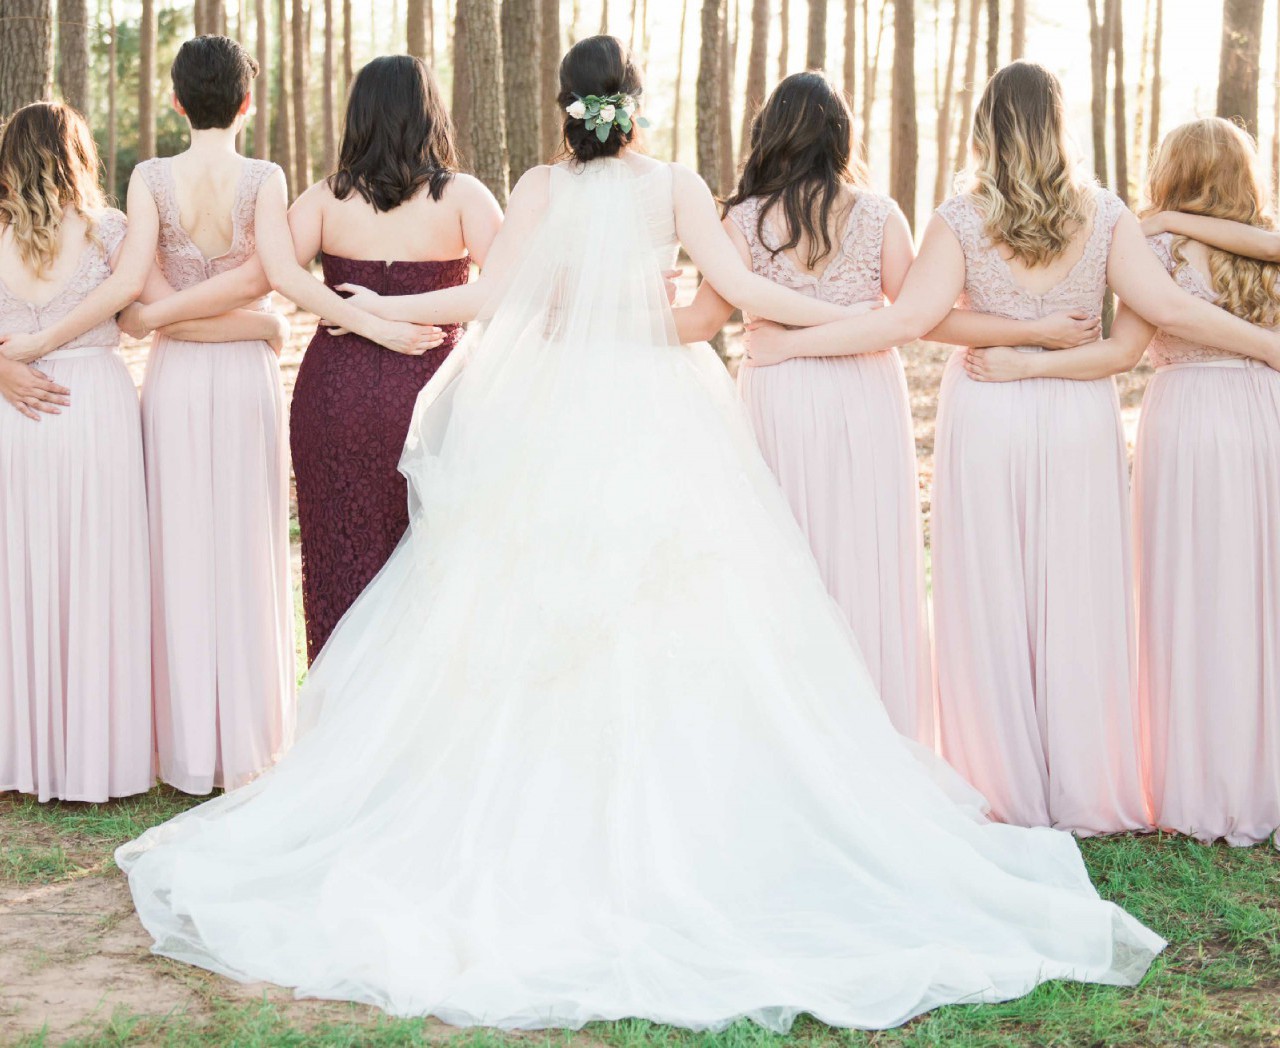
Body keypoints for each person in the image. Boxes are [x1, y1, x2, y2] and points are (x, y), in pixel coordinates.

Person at [117, 38, 1166, 1030]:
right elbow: (735, 295)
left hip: (559, 396)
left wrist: (402, 310)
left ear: (564, 112)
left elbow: (499, 294)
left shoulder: (538, 187)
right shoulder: (670, 185)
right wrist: (831, 326)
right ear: (633, 106)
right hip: (658, 394)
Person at [751, 61, 1280, 835]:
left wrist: (1012, 335)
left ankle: (998, 785)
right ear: (1060, 126)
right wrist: (1261, 346)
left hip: (989, 404)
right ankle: (1087, 784)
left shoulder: (959, 219)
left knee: (990, 594)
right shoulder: (1105, 215)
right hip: (1077, 416)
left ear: (984, 128)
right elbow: (1164, 310)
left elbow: (921, 320)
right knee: (1079, 593)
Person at [673, 72, 1099, 744]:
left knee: (782, 551)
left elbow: (702, 318)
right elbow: (921, 318)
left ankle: (791, 732)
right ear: (841, 135)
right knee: (867, 555)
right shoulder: (878, 214)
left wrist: (617, 310)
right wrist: (1033, 327)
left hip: (779, 387)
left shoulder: (742, 219)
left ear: (769, 133)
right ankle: (877, 730)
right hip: (865, 388)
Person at [1051, 118, 1280, 846]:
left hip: (1188, 419)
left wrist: (1171, 221)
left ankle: (1200, 778)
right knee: (1262, 587)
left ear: (1169, 174)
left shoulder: (1154, 245)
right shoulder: (1265, 250)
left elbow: (1125, 346)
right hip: (1265, 411)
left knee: (1192, 587)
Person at [126, 35, 298, 794]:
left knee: (180, 547)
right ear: (247, 102)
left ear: (175, 101)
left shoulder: (147, 178)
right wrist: (260, 325)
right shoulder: (265, 178)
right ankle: (249, 745)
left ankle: (187, 751)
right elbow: (266, 282)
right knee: (247, 545)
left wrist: (165, 318)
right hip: (243, 375)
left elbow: (150, 303)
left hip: (175, 376)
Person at [286, 56, 501, 661]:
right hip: (433, 389)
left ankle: (340, 700)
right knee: (430, 557)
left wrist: (367, 311)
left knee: (340, 552)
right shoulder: (462, 197)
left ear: (359, 116)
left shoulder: (325, 198)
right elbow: (505, 290)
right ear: (431, 114)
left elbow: (270, 273)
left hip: (335, 393)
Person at [0, 103, 154, 801]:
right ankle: (94, 755)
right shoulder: (109, 230)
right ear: (78, 157)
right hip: (91, 406)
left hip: (17, 413)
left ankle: (24, 753)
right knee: (95, 573)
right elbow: (137, 303)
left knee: (24, 573)